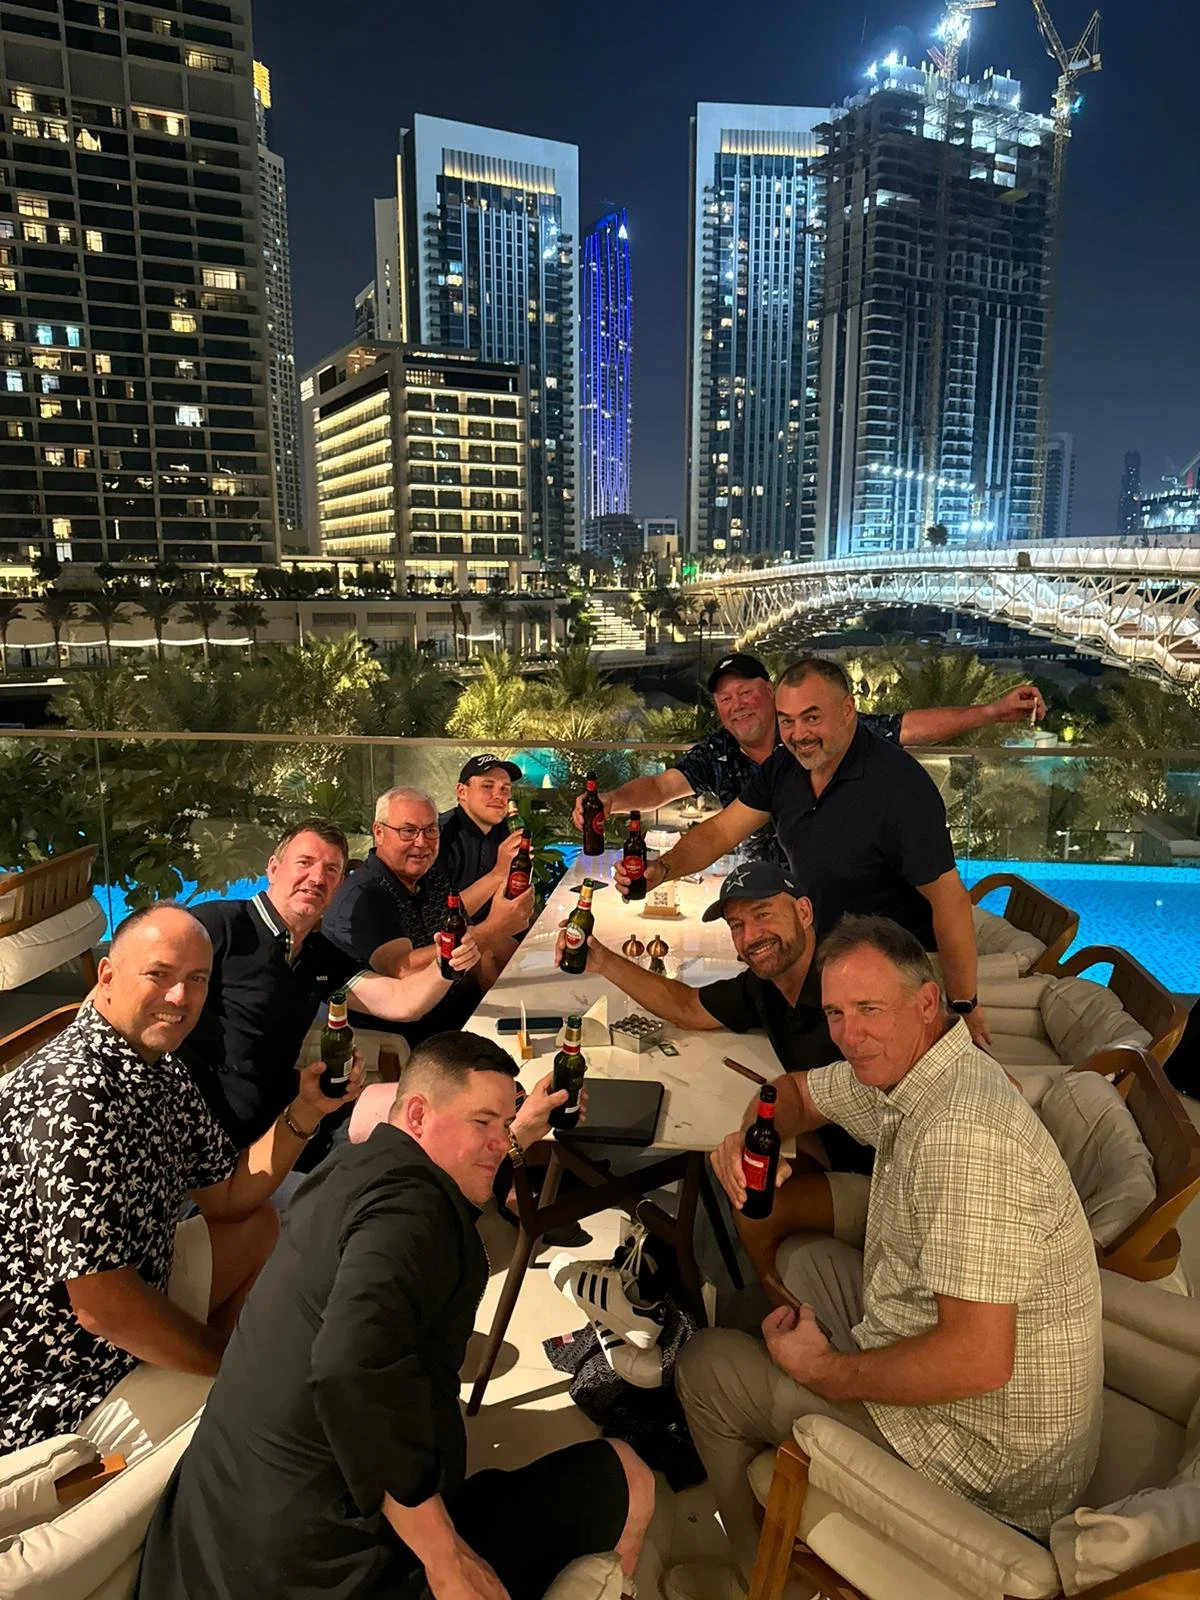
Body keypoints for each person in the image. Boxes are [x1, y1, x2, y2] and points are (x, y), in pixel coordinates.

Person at [670, 916, 1102, 1600]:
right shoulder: (923, 1069)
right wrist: (753, 1136)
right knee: (804, 1260)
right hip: (959, 1359)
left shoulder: (965, 1136)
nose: (849, 1034)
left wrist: (827, 1372)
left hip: (990, 1466)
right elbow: (796, 1093)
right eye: (836, 1013)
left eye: (868, 1009)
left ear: (926, 1003)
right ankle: (790, 1408)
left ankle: (755, 1580)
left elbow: (979, 1360)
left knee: (705, 1367)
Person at [137, 1032, 656, 1600]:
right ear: (417, 1114)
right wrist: (445, 1558)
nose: (499, 1142)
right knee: (630, 1476)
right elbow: (349, 1370)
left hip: (203, 1553)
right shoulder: (413, 1214)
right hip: (327, 1570)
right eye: (482, 1121)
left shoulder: (345, 1171)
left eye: (504, 1124)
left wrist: (514, 1131)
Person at [0, 904, 360, 1456]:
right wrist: (231, 1362)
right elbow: (102, 1308)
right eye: (159, 974)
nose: (179, 997)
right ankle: (225, 1418)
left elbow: (229, 1196)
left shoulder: (156, 1064)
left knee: (259, 1226)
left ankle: (223, 1386)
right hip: (57, 1372)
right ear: (106, 975)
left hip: (138, 1282)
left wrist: (306, 1110)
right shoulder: (75, 1102)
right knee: (278, 1398)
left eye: (197, 980)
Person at [617, 655, 989, 1046]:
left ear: (848, 710)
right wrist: (662, 869)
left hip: (893, 966)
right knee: (719, 1025)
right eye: (787, 721)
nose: (799, 734)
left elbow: (950, 900)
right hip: (823, 952)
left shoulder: (899, 787)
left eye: (812, 718)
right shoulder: (784, 767)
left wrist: (963, 1003)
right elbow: (721, 832)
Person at [178, 819, 480, 1152]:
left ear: (338, 886)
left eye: (331, 870)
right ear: (273, 869)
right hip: (210, 1139)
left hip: (290, 1120)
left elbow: (400, 1001)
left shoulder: (317, 954)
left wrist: (447, 965)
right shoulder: (215, 926)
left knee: (438, 1108)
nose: (317, 878)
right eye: (304, 863)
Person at [575, 651, 1045, 865]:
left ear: (769, 692)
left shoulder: (825, 738)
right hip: (760, 887)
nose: (736, 706)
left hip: (831, 886)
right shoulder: (719, 752)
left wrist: (990, 712)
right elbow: (662, 788)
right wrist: (611, 801)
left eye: (745, 692)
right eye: (724, 699)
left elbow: (907, 726)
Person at [323, 786, 533, 1049]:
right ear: (379, 832)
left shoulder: (428, 875)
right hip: (419, 1041)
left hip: (468, 1015)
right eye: (408, 831)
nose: (421, 842)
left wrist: (499, 878)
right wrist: (494, 929)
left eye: (431, 830)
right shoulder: (365, 894)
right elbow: (402, 969)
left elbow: (460, 921)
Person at [438, 754, 524, 921]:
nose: (498, 796)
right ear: (462, 792)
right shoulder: (439, 835)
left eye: (504, 789)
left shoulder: (505, 830)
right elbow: (440, 917)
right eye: (487, 786)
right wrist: (499, 873)